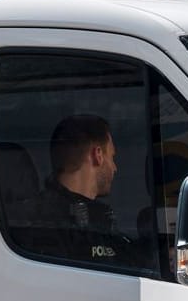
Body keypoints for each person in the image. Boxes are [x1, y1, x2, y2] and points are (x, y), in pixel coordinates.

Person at [8, 114, 142, 267]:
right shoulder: (50, 228)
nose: (115, 168)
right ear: (97, 155)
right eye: (112, 157)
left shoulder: (36, 219)